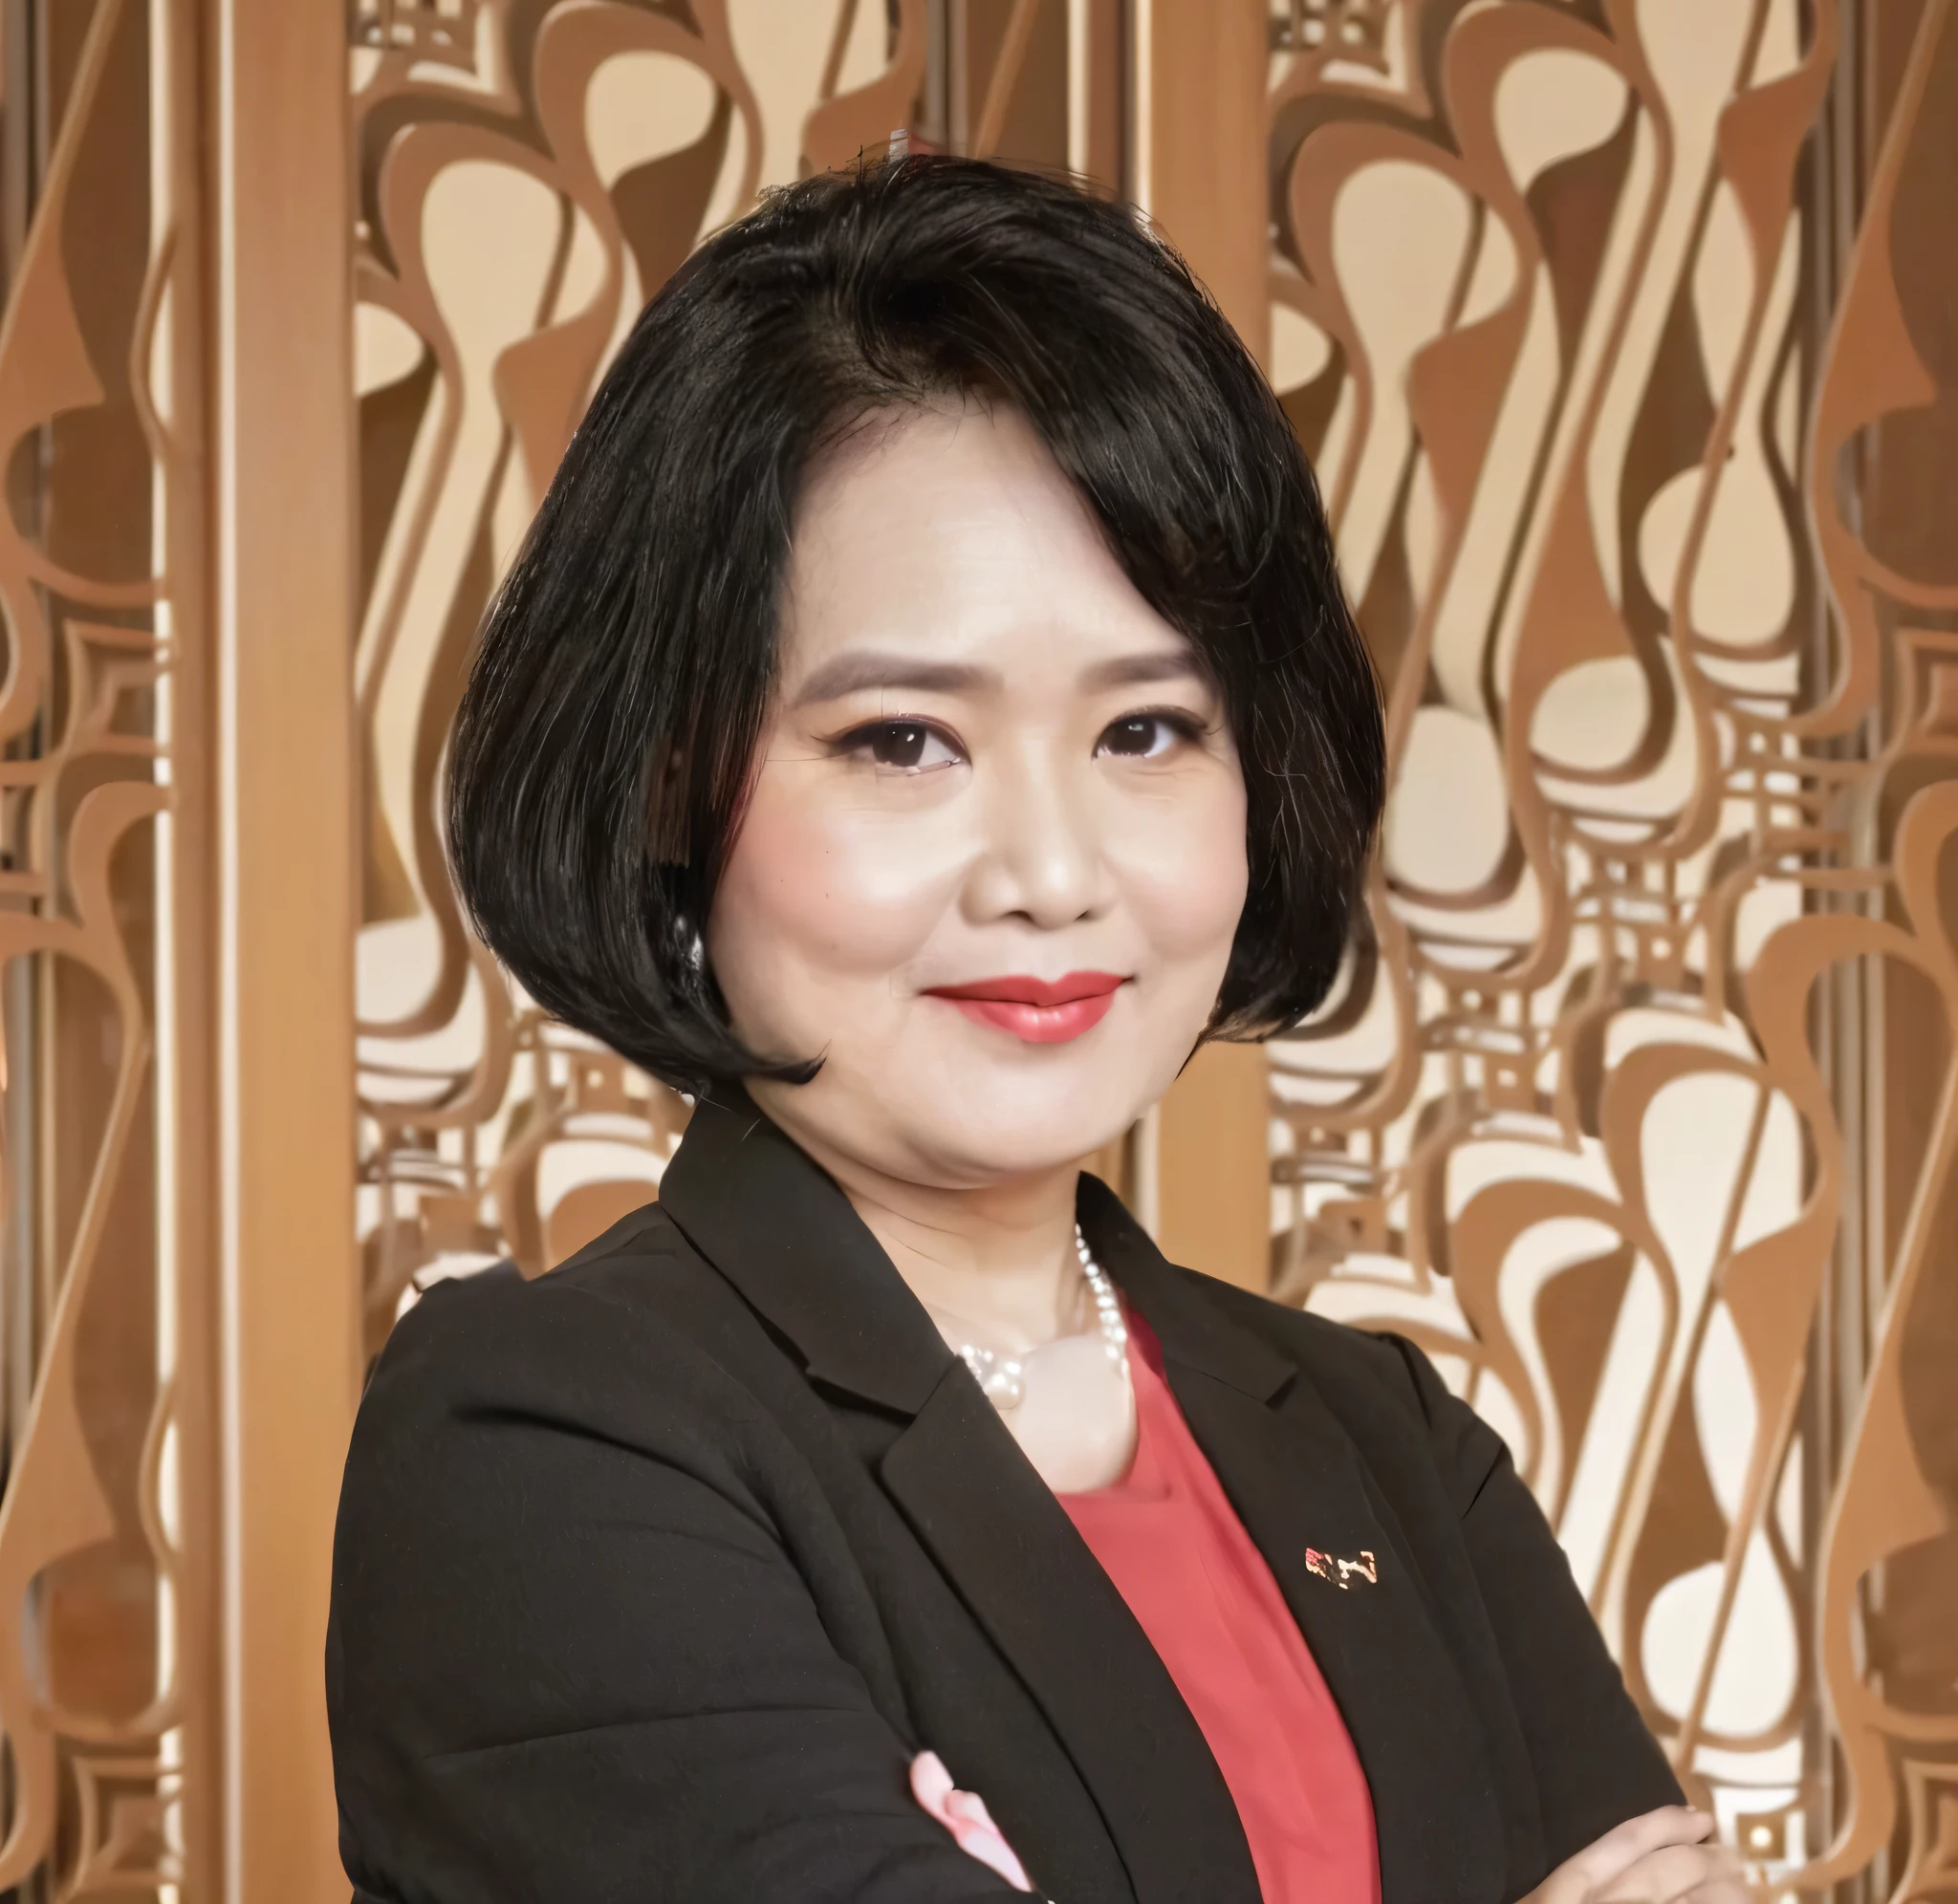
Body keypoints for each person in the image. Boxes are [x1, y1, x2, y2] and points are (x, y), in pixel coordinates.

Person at [326, 155, 1742, 1904]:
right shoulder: (542, 1449)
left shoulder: (1387, 1441)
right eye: (905, 740)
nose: (1054, 875)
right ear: (679, 780)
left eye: (1146, 730)